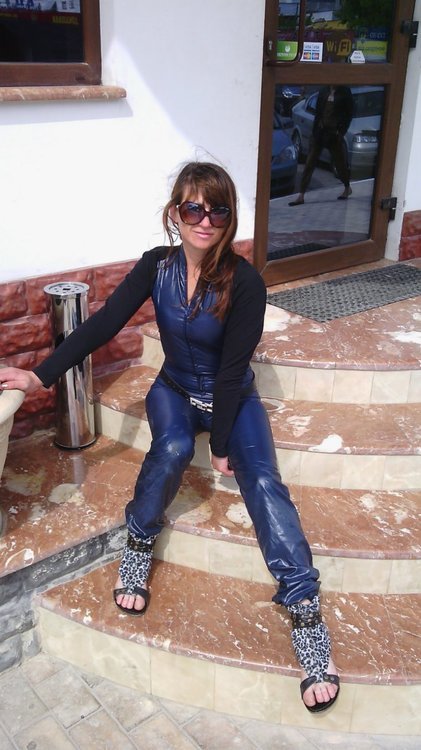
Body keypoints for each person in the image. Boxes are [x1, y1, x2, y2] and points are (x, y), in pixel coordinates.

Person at [0, 161, 339, 713]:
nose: (205, 220)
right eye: (193, 208)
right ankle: (138, 543)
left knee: (263, 481)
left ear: (230, 217)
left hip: (232, 396)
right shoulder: (155, 266)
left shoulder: (246, 282)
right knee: (175, 446)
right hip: (175, 390)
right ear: (175, 213)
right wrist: (40, 375)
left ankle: (304, 613)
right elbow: (103, 323)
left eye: (217, 210)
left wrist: (223, 444)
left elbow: (233, 370)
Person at [289, 84, 354, 206]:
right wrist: (315, 130)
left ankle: (347, 187)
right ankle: (301, 195)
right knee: (310, 162)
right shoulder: (324, 91)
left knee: (339, 162)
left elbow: (349, 113)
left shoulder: (344, 92)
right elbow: (318, 111)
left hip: (334, 133)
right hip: (320, 132)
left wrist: (340, 132)